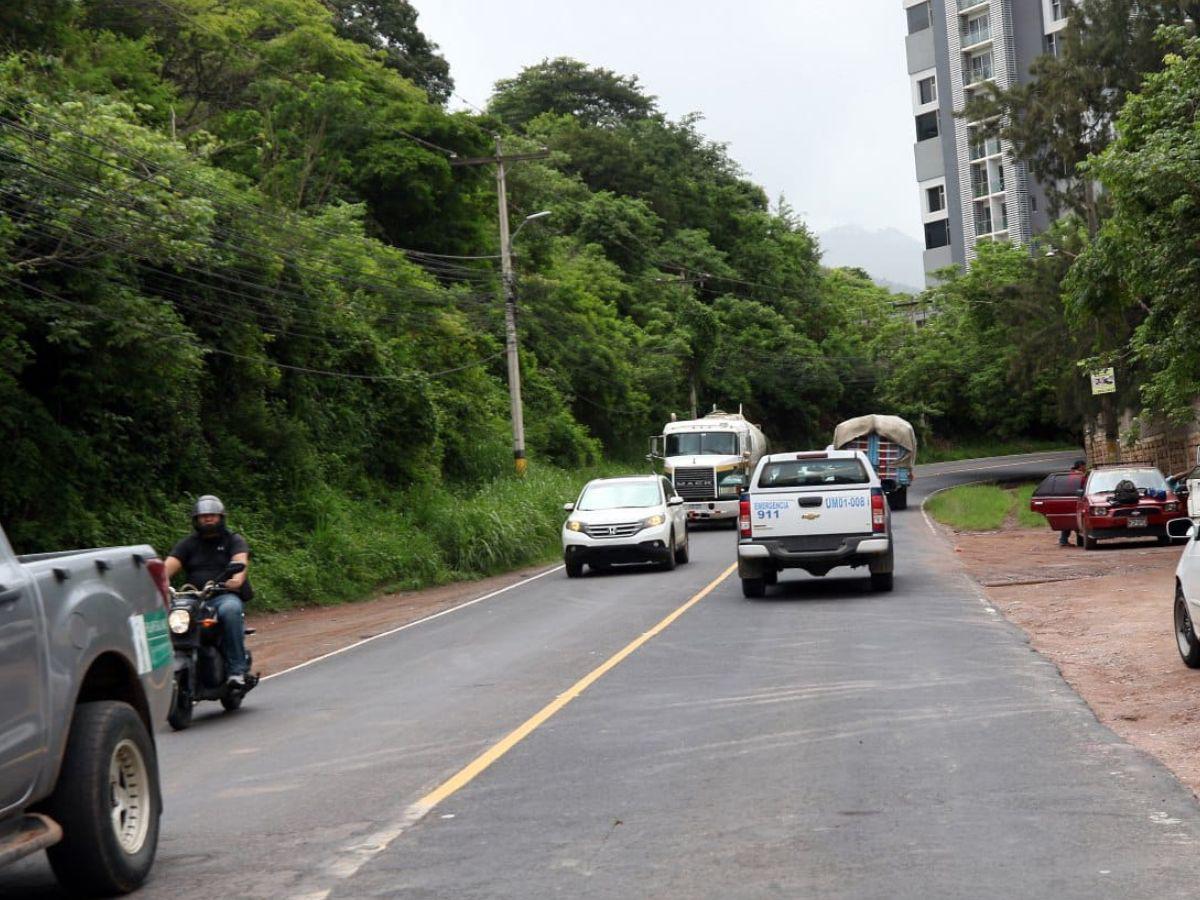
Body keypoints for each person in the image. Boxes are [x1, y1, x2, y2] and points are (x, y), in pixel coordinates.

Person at [164, 495, 252, 686]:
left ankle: (236, 671)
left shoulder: (233, 540)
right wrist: (155, 582)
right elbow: (166, 569)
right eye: (203, 516)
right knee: (170, 616)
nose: (208, 519)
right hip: (193, 597)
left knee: (231, 610)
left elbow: (240, 562)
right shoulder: (188, 543)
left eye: (212, 515)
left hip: (223, 595)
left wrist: (236, 580)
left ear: (221, 517)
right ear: (196, 519)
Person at [1060, 459, 1087, 546]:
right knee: (1078, 520)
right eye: (1084, 466)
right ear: (1080, 466)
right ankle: (1079, 541)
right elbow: (1084, 486)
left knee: (1070, 520)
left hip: (1069, 500)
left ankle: (1064, 540)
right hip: (1077, 500)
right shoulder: (1079, 476)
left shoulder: (1070, 474)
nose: (1085, 468)